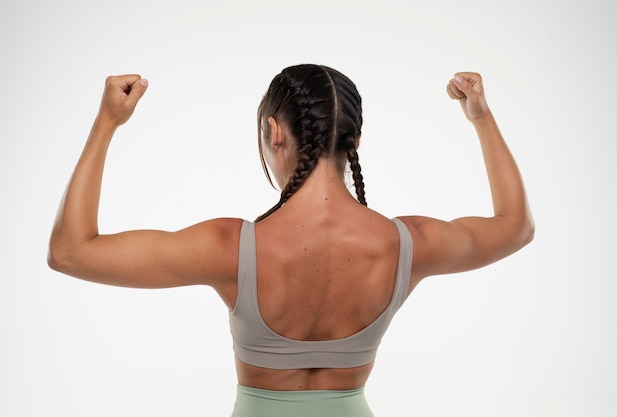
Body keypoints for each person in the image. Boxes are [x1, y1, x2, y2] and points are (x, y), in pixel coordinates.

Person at [48, 65, 534, 417]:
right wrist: (480, 117)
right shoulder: (410, 243)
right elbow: (516, 226)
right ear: (355, 142)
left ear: (273, 133)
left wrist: (106, 123)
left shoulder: (229, 247)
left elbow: (71, 250)